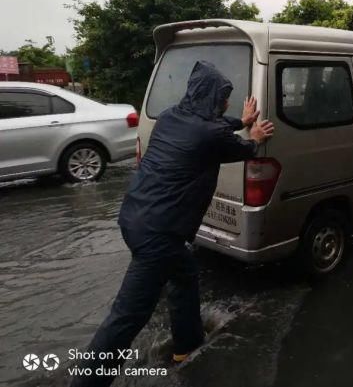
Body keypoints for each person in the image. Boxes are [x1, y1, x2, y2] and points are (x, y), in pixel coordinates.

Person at [70, 60, 274, 387]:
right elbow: (244, 147)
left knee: (185, 274)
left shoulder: (170, 118)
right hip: (158, 235)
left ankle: (187, 344)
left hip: (134, 218)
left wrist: (241, 120)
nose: (224, 105)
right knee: (127, 317)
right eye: (222, 99)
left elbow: (215, 128)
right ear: (209, 98)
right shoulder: (211, 134)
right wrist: (255, 134)